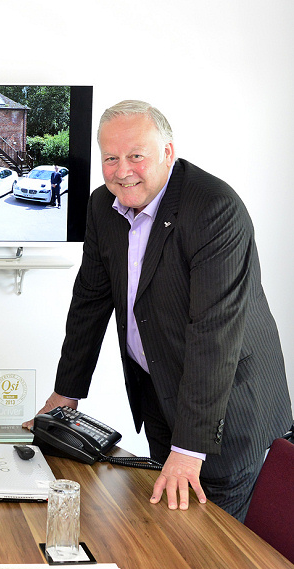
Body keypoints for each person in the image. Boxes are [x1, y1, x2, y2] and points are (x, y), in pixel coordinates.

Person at [25, 100, 291, 522]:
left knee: (211, 543)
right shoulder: (101, 207)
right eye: (110, 158)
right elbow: (89, 303)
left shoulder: (214, 209)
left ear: (168, 152)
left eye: (136, 155)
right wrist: (66, 393)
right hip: (160, 395)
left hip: (226, 409)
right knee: (167, 527)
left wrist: (188, 450)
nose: (121, 169)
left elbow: (214, 335)